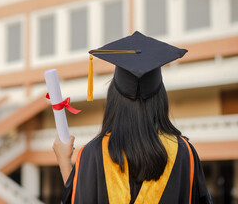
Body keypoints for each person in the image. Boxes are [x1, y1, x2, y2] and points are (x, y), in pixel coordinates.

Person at [53, 31, 212, 204]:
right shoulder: (184, 154)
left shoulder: (91, 155)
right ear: (160, 98)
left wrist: (64, 163)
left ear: (113, 97)